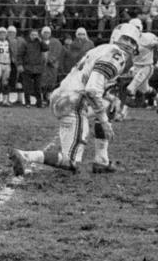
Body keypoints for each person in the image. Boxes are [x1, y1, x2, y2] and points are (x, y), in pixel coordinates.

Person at [10, 22, 139, 175]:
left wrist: (109, 98)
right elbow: (92, 89)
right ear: (117, 36)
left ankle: (101, 160)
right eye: (126, 39)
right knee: (71, 162)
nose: (129, 45)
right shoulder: (116, 55)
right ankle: (26, 156)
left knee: (110, 103)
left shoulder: (100, 48)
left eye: (133, 42)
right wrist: (104, 121)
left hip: (62, 95)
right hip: (74, 102)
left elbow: (89, 81)